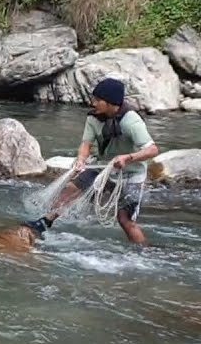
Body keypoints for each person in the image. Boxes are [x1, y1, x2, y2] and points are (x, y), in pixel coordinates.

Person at [22, 77, 159, 244]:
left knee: (125, 220)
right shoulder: (93, 118)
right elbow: (86, 143)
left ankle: (145, 250)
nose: (93, 103)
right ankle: (45, 223)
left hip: (131, 174)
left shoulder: (131, 121)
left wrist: (128, 158)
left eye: (98, 100)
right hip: (102, 166)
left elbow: (152, 149)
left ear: (111, 103)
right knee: (70, 189)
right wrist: (80, 159)